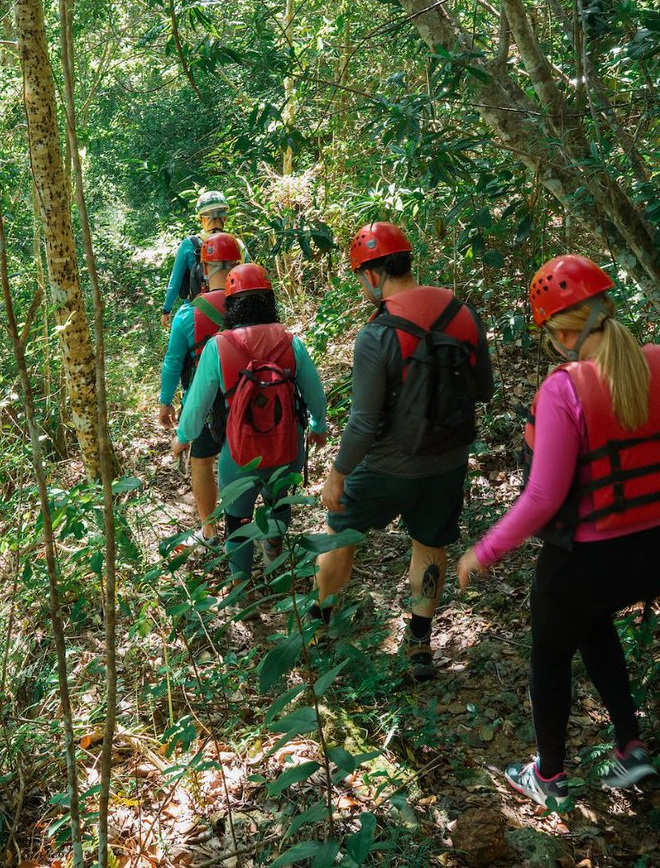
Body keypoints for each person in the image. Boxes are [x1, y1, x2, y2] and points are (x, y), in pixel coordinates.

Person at [458, 254, 660, 805]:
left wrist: (483, 552)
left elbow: (541, 497)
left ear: (561, 333)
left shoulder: (564, 389)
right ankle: (630, 747)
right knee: (592, 620)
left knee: (551, 652)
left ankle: (547, 776)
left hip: (590, 562)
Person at [318, 221, 494, 680]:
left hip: (384, 466)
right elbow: (483, 388)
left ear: (373, 275)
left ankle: (319, 627)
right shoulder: (462, 313)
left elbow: (362, 422)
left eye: (361, 278)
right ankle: (419, 644)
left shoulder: (377, 334)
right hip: (447, 461)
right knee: (429, 545)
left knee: (340, 532)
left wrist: (337, 473)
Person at [171, 263, 328, 583]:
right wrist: (318, 427)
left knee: (237, 519)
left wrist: (183, 436)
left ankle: (241, 585)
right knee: (280, 502)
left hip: (239, 451)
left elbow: (197, 402)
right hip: (287, 445)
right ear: (269, 300)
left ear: (231, 304)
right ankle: (273, 545)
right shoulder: (290, 341)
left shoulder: (219, 345)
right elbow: (315, 394)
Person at [158, 233, 243, 547]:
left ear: (203, 269)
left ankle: (209, 531)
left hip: (205, 402)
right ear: (238, 264)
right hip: (248, 396)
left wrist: (165, 402)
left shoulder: (187, 313)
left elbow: (173, 361)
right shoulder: (253, 305)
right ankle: (253, 524)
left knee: (202, 459)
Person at [160, 191, 244, 328]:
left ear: (203, 218)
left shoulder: (189, 244)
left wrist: (166, 310)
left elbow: (175, 282)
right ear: (225, 217)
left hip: (196, 311)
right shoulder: (237, 244)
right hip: (233, 311)